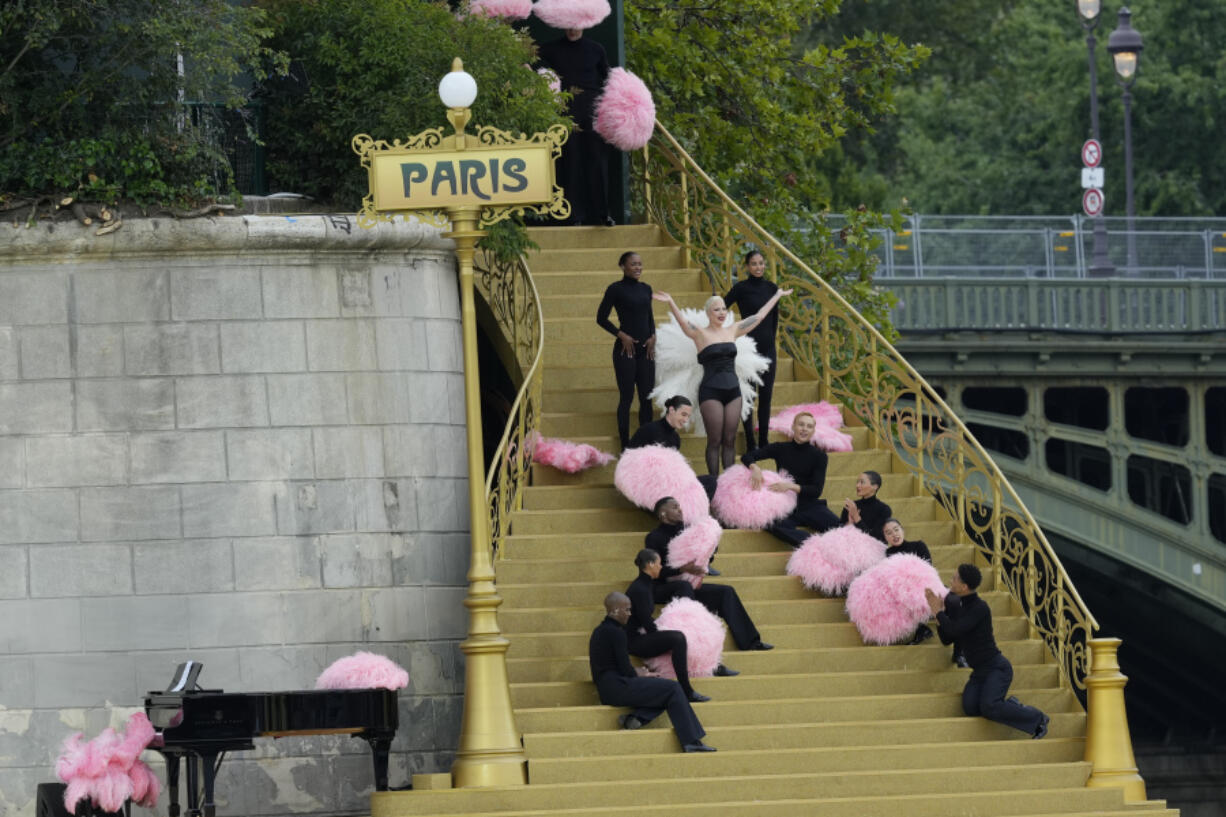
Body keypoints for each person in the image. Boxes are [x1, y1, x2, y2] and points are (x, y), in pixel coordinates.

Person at [653, 287, 790, 475]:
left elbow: (758, 317)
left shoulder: (733, 330)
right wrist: (670, 301)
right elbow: (683, 322)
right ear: (708, 313)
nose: (722, 312)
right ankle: (714, 483)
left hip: (733, 391)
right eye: (717, 309)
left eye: (724, 309)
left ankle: (728, 484)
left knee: (729, 440)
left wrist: (777, 296)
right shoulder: (699, 333)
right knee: (715, 441)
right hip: (711, 392)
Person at [925, 564, 1050, 739]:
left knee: (989, 706)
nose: (950, 581)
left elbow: (954, 629)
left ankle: (1038, 719)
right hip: (979, 673)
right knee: (971, 707)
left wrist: (939, 613)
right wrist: (939, 615)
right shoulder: (960, 608)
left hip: (997, 668)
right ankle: (1011, 705)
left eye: (954, 578)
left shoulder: (979, 608)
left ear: (964, 586)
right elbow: (947, 638)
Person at [644, 498, 773, 661]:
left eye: (679, 506)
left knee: (726, 592)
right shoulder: (653, 537)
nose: (680, 510)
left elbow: (702, 560)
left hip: (688, 586)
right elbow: (652, 571)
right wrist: (681, 569)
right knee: (683, 586)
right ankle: (698, 650)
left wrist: (708, 551)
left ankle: (751, 642)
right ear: (663, 514)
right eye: (675, 507)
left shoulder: (689, 530)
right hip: (661, 588)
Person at [589, 592, 716, 752]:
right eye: (627, 610)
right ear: (615, 611)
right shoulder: (617, 633)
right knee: (673, 688)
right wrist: (641, 673)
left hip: (607, 689)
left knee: (663, 691)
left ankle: (636, 718)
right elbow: (625, 669)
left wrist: (638, 673)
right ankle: (691, 741)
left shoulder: (598, 631)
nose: (629, 614)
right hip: (617, 686)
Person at [536, 24, 612, 225]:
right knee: (570, 160)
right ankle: (572, 215)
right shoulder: (550, 49)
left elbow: (608, 80)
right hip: (564, 110)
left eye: (576, 26)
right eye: (568, 26)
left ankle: (601, 214)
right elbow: (534, 64)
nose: (572, 30)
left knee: (597, 160)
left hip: (592, 110)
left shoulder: (596, 49)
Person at [742, 412, 841, 547]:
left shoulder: (819, 456)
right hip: (785, 506)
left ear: (813, 431)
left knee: (841, 529)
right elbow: (747, 456)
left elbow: (816, 490)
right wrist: (755, 468)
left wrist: (790, 486)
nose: (804, 429)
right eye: (801, 424)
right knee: (769, 524)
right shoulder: (780, 448)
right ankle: (814, 544)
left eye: (809, 426)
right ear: (793, 427)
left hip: (809, 505)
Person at [625, 549, 711, 702]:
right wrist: (665, 632)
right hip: (634, 641)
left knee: (676, 635)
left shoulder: (645, 583)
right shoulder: (640, 589)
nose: (660, 567)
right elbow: (648, 624)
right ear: (650, 565)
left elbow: (665, 573)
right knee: (678, 638)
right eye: (658, 564)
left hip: (640, 635)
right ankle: (687, 690)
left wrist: (682, 569)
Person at [597, 251, 656, 449]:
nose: (638, 267)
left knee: (646, 397)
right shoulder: (615, 289)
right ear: (623, 266)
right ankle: (625, 445)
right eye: (633, 264)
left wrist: (653, 336)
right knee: (627, 397)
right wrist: (621, 335)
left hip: (646, 350)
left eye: (640, 264)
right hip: (625, 350)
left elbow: (649, 317)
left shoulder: (646, 289)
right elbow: (601, 318)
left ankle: (646, 444)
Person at [723, 250, 780, 451]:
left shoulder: (773, 288)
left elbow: (774, 322)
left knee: (766, 396)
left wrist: (770, 345)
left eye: (761, 263)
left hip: (768, 350)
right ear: (747, 266)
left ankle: (764, 441)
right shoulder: (740, 288)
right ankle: (750, 442)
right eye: (754, 264)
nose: (758, 267)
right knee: (748, 397)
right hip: (747, 351)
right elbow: (721, 310)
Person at [626, 394, 718, 505]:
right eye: (683, 414)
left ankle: (690, 512)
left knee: (712, 481)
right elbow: (628, 461)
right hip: (651, 488)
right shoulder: (648, 430)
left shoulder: (675, 438)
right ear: (671, 410)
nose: (685, 420)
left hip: (672, 486)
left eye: (688, 416)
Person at [882, 518, 936, 645]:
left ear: (902, 530)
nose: (894, 534)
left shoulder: (918, 546)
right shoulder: (886, 554)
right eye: (889, 533)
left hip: (923, 585)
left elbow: (928, 569)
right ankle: (920, 628)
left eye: (896, 530)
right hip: (900, 591)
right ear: (885, 537)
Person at [840, 470, 892, 543]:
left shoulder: (884, 509)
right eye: (857, 482)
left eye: (862, 482)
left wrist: (856, 517)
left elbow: (875, 538)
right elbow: (839, 533)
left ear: (875, 487)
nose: (857, 485)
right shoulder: (852, 506)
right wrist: (849, 523)